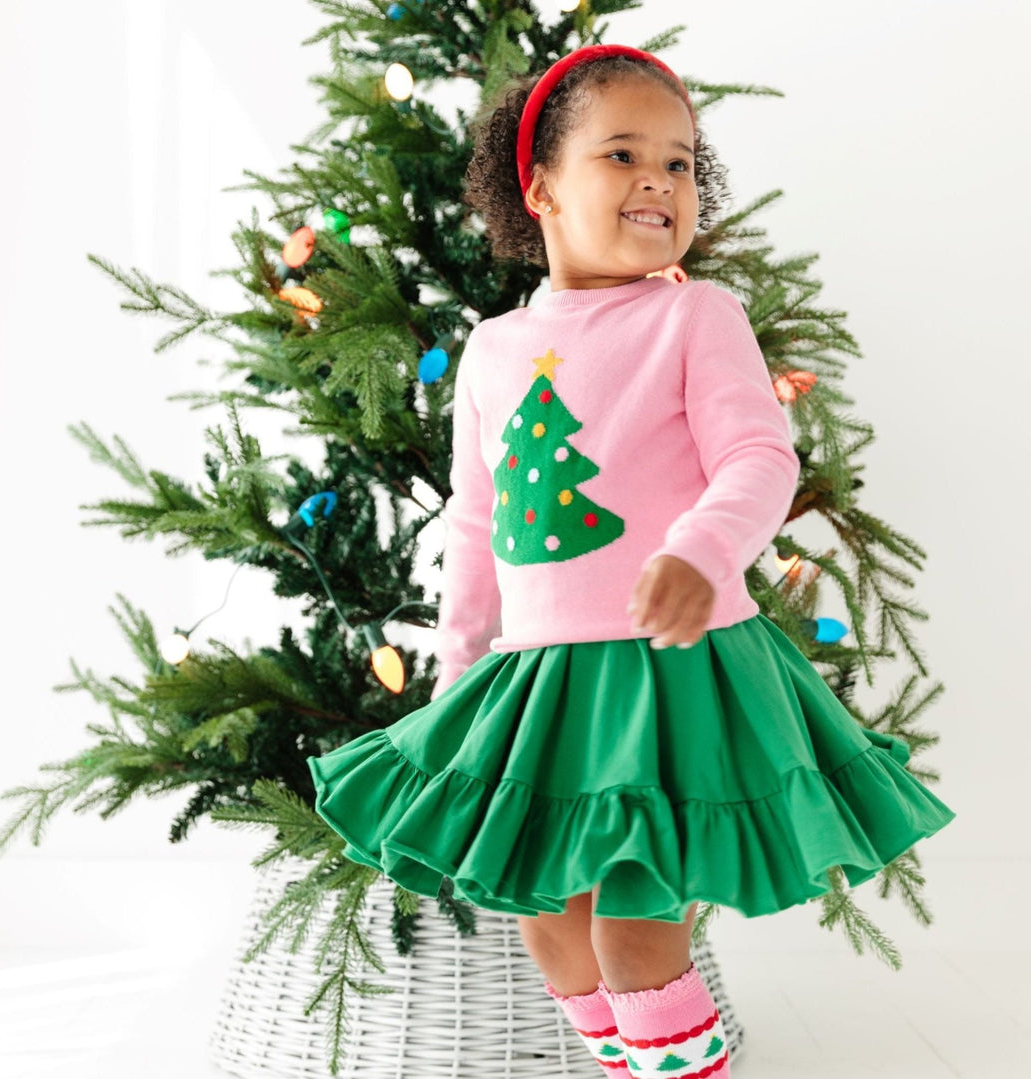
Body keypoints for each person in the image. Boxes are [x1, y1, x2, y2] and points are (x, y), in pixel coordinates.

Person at [308, 43, 956, 1078]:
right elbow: (478, 523)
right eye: (621, 154)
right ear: (541, 191)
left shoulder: (697, 315)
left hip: (670, 672)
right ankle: (643, 1066)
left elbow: (757, 453)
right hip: (544, 678)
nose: (659, 178)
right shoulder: (490, 350)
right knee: (552, 925)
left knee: (633, 925)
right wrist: (460, 665)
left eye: (682, 162)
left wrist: (701, 551)